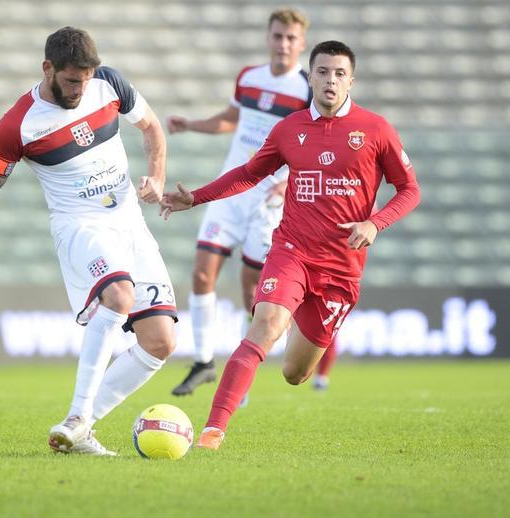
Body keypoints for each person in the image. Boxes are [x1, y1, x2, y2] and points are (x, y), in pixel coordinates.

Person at [0, 27, 177, 456]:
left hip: (130, 222)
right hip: (81, 227)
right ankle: (77, 416)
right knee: (119, 297)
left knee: (160, 342)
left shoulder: (109, 83)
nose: (81, 88)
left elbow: (152, 128)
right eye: (72, 80)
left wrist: (158, 177)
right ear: (48, 69)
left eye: (87, 79)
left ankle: (82, 430)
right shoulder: (17, 125)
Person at [160, 40, 420, 450]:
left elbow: (409, 189)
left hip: (341, 268)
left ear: (351, 80)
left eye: (339, 73)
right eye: (322, 72)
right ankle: (213, 430)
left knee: (295, 373)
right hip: (292, 251)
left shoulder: (376, 130)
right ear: (310, 77)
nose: (330, 80)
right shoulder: (289, 129)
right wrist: (196, 197)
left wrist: (376, 222)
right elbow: (248, 173)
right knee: (264, 327)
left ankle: (298, 321)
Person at [165, 8, 312, 399]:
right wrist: (192, 124)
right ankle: (203, 361)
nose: (283, 44)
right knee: (201, 273)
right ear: (269, 38)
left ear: (302, 44)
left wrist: (289, 182)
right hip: (231, 191)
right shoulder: (250, 77)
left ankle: (242, 371)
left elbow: (311, 145)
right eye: (278, 36)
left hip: (267, 200)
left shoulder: (305, 89)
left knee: (253, 292)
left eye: (291, 38)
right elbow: (232, 119)